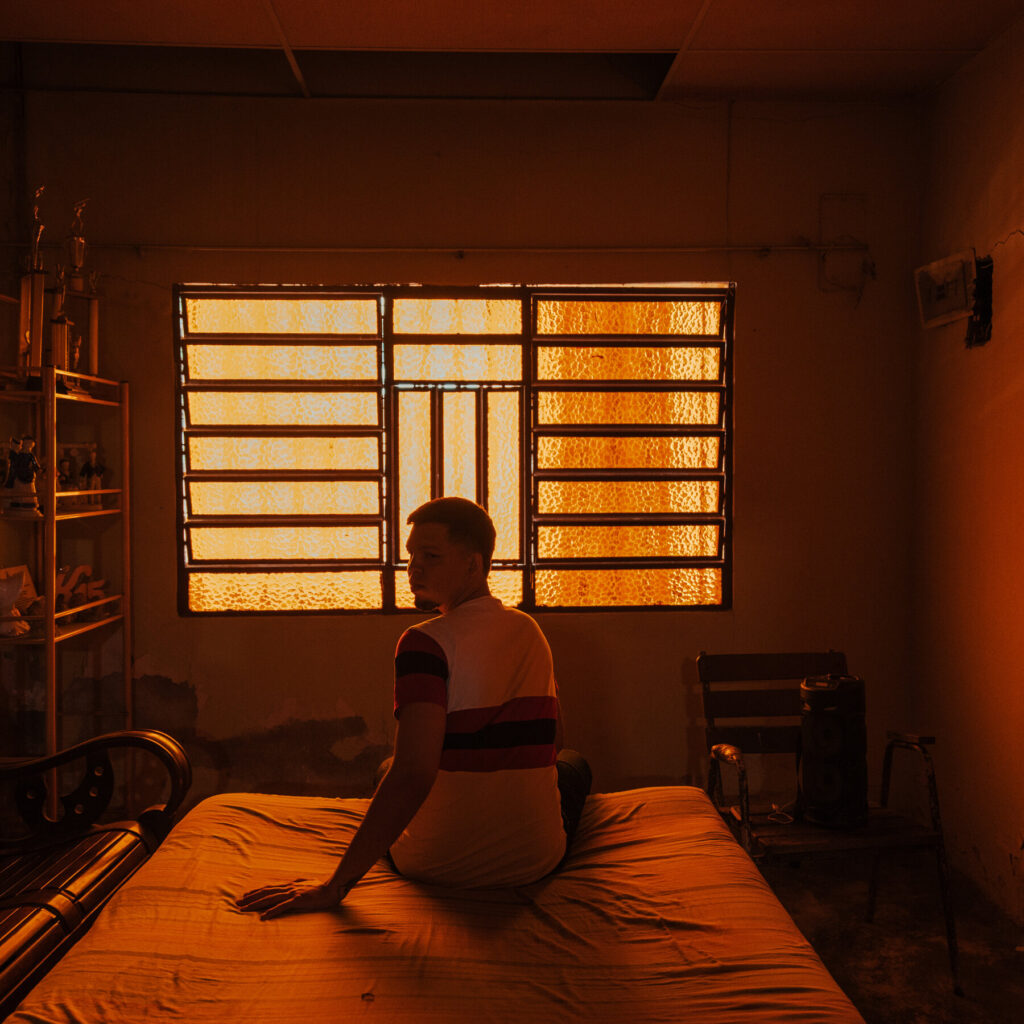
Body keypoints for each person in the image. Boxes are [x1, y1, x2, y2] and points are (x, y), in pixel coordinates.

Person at [237, 497, 591, 920]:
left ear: (473, 564)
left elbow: (413, 774)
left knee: (390, 769)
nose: (414, 568)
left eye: (431, 556)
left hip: (435, 865)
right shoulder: (529, 631)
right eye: (411, 555)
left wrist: (335, 885)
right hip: (534, 861)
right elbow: (556, 742)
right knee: (573, 764)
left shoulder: (424, 643)